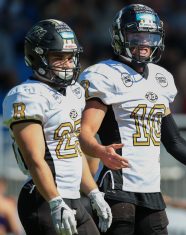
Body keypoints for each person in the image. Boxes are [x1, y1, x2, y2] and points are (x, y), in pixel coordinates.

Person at [78, 4, 186, 235]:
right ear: (119, 36)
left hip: (151, 190)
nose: (145, 42)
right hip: (116, 188)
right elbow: (84, 132)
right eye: (136, 35)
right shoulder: (103, 75)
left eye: (150, 36)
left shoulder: (161, 78)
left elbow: (174, 141)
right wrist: (100, 151)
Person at [2, 19, 112, 235]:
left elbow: (72, 150)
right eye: (58, 57)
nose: (67, 64)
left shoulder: (74, 92)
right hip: (44, 198)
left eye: (70, 57)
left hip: (73, 197)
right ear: (37, 56)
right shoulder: (26, 95)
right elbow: (35, 158)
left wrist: (93, 193)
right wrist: (54, 201)